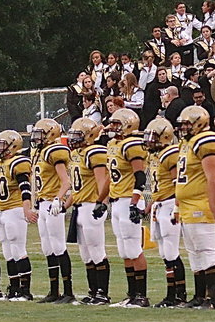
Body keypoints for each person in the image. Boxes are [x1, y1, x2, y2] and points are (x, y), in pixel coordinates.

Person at [175, 105, 215, 309]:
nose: (184, 128)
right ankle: (199, 296)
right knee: (194, 253)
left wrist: (214, 205)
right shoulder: (187, 142)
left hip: (200, 202)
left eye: (187, 124)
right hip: (187, 204)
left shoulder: (207, 140)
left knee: (206, 251)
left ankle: (213, 299)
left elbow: (212, 177)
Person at [104, 109, 150, 308]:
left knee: (133, 247)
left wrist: (134, 202)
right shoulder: (113, 144)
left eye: (116, 124)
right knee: (124, 250)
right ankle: (131, 294)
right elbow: (110, 177)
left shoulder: (133, 144)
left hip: (129, 200)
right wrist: (101, 201)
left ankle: (141, 295)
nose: (112, 127)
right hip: (116, 200)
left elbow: (140, 177)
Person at [0, 130, 38, 300]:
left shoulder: (18, 162)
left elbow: (25, 188)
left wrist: (27, 209)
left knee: (18, 249)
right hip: (1, 211)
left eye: (2, 144)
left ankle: (25, 290)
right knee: (7, 251)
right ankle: (14, 287)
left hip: (14, 210)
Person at [27, 119, 74, 303]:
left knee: (58, 246)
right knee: (48, 248)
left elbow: (66, 181)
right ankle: (54, 290)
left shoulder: (55, 151)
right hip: (42, 203)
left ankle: (68, 292)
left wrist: (59, 199)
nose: (36, 137)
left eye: (41, 134)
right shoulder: (39, 152)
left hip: (53, 204)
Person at [67, 117, 111, 305]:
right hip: (79, 207)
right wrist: (64, 204)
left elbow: (102, 180)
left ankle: (102, 293)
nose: (73, 138)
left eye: (78, 134)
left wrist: (102, 203)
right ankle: (93, 291)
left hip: (91, 205)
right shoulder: (77, 154)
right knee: (85, 253)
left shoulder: (95, 152)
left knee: (96, 250)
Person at [145, 118, 186, 307]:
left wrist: (178, 207)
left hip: (170, 205)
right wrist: (149, 206)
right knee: (164, 252)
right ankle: (173, 294)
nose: (149, 140)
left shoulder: (170, 153)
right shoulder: (154, 155)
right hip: (159, 205)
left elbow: (178, 183)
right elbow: (158, 186)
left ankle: (177, 294)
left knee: (171, 252)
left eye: (153, 137)